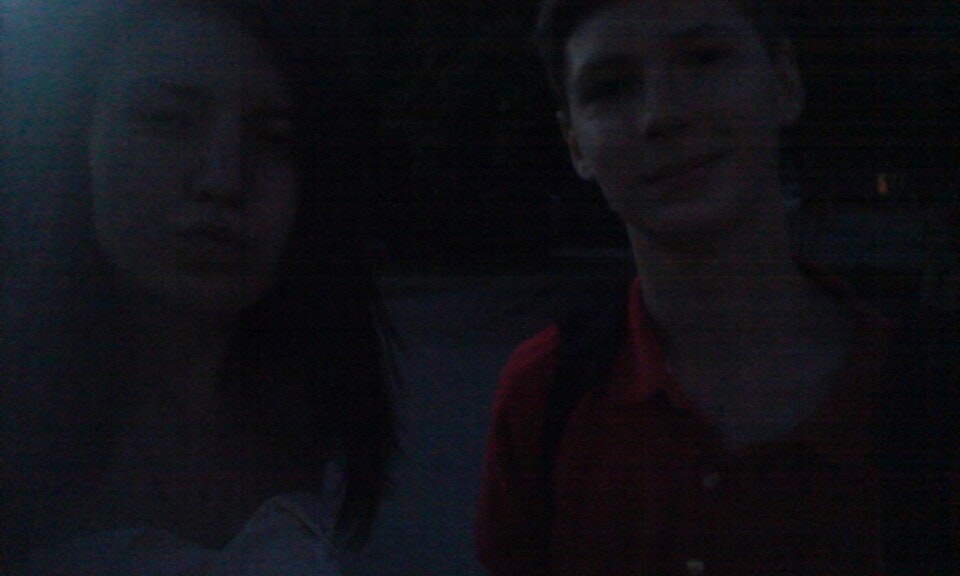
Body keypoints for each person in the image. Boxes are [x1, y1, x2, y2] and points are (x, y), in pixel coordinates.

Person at [475, 0, 958, 574]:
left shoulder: (932, 391)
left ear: (785, 83)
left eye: (704, 58)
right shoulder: (544, 394)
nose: (661, 114)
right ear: (575, 144)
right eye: (610, 87)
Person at [0, 0, 395, 573]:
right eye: (168, 121)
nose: (223, 179)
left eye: (275, 139)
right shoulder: (20, 423)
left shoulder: (311, 411)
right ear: (79, 134)